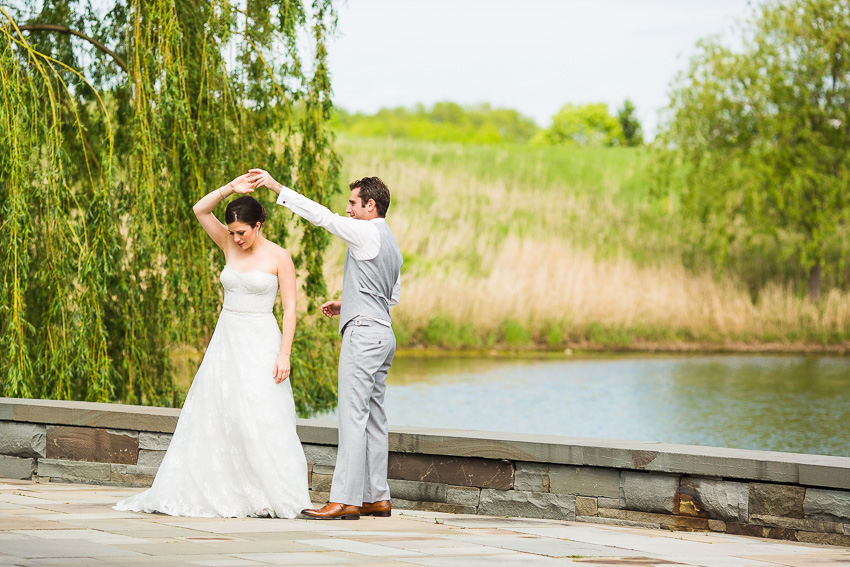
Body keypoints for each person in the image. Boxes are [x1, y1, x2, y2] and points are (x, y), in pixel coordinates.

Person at [114, 174, 312, 518]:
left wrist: (284, 353)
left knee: (261, 411)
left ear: (259, 225)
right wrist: (230, 189)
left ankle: (268, 490)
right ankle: (222, 487)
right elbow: (200, 210)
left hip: (262, 337)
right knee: (220, 409)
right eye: (232, 232)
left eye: (243, 232)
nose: (236, 238)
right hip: (227, 338)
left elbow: (291, 308)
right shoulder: (226, 242)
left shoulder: (280, 257)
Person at [247, 169, 402, 521]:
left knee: (352, 417)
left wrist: (275, 187)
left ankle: (345, 499)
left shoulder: (365, 231)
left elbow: (322, 218)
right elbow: (389, 297)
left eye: (352, 202)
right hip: (383, 335)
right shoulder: (392, 244)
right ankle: (378, 497)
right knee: (375, 418)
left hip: (363, 336)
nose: (347, 209)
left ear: (370, 205)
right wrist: (346, 303)